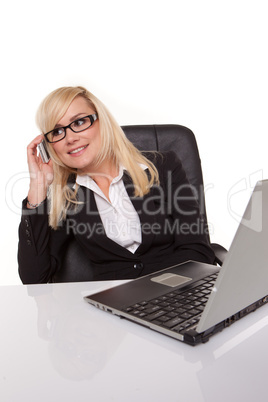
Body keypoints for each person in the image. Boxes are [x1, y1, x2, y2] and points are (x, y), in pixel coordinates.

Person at [18, 86, 215, 284]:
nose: (70, 138)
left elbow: (197, 250)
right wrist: (38, 186)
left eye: (79, 122)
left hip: (175, 294)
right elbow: (35, 278)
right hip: (110, 303)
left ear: (102, 122)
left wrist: (159, 292)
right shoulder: (66, 195)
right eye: (57, 131)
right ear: (50, 145)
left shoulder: (162, 166)